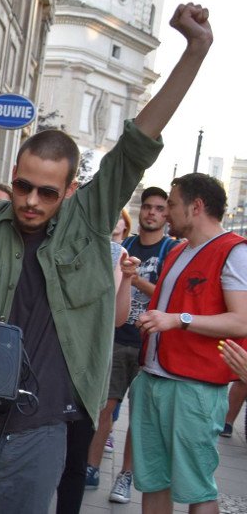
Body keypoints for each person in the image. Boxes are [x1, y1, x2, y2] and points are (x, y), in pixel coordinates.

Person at [0, 3, 213, 514]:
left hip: (41, 427)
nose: (30, 201)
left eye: (47, 192)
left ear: (70, 190)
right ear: (14, 172)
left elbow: (137, 144)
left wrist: (194, 51)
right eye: (23, 186)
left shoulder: (88, 222)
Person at [132, 173, 247, 513]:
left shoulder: (233, 252)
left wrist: (177, 320)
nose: (166, 212)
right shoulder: (180, 250)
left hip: (193, 389)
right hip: (154, 378)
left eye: (171, 204)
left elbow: (241, 320)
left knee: (197, 489)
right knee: (152, 481)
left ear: (196, 207)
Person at [85, 187, 178, 504]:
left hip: (151, 344)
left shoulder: (170, 250)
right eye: (147, 207)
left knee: (141, 415)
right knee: (104, 407)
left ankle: (125, 476)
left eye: (159, 208)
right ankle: (91, 467)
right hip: (117, 337)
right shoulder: (124, 246)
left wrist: (136, 280)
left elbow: (170, 299)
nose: (151, 213)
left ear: (166, 215)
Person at [54, 208, 137, 514]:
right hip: (48, 362)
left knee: (75, 460)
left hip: (87, 371)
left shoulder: (116, 253)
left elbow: (117, 319)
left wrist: (127, 279)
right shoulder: (54, 244)